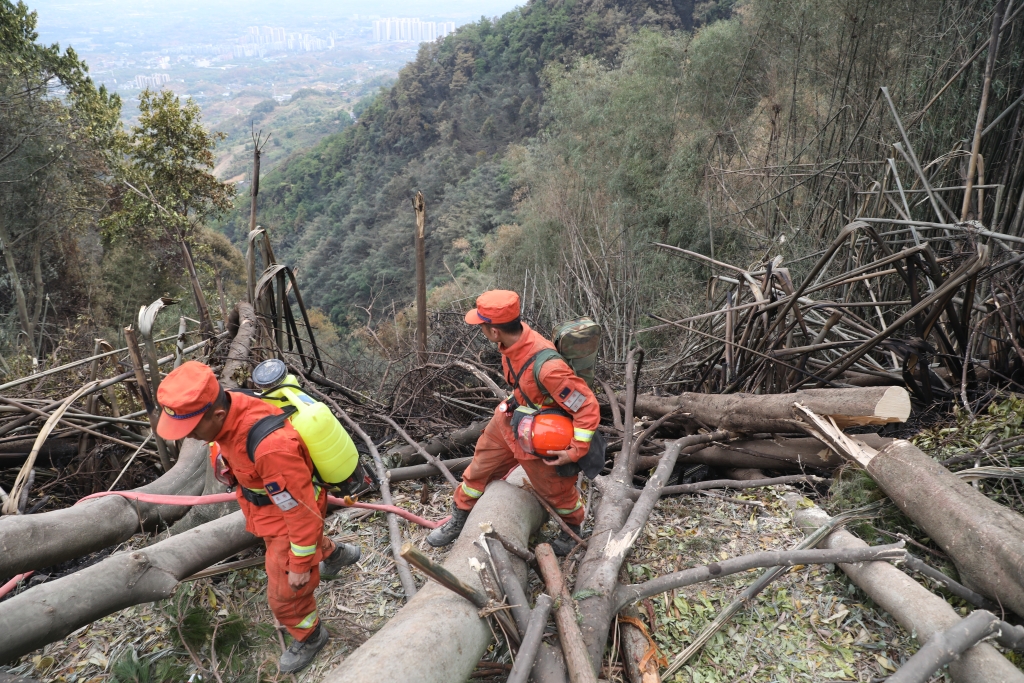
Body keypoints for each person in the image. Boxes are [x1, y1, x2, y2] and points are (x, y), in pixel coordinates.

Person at [156, 361, 361, 674]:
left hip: (289, 519)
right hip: (271, 511)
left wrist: (300, 564)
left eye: (194, 428)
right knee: (299, 552)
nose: (191, 437)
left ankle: (310, 634)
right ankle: (336, 554)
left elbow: (301, 512)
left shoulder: (270, 448)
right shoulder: (232, 406)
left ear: (218, 414)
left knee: (284, 596)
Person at [426, 290, 600, 554]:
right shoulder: (509, 346)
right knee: (478, 470)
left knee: (557, 492)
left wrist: (575, 449)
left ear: (495, 331)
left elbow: (587, 406)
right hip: (509, 421)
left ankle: (572, 530)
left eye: (483, 326)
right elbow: (524, 386)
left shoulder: (548, 367)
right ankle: (459, 519)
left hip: (541, 436)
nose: (482, 331)